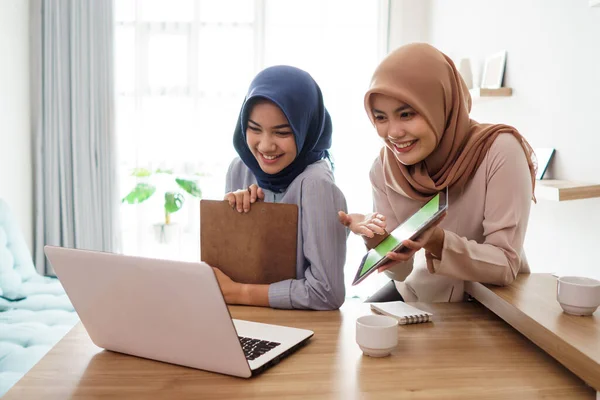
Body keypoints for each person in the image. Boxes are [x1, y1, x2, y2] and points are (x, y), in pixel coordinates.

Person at [338, 43, 537, 303]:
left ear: (440, 104)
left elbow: (505, 264)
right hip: (421, 301)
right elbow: (401, 273)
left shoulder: (499, 151)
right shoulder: (384, 169)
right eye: (381, 118)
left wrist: (437, 240)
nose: (393, 132)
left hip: (493, 306)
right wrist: (377, 239)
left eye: (406, 114)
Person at [213, 65, 348, 310]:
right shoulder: (240, 169)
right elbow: (224, 277)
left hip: (301, 330)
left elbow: (327, 293)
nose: (265, 146)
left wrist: (239, 292)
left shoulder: (315, 185)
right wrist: (236, 222)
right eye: (254, 129)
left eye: (282, 132)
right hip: (242, 322)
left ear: (306, 129)